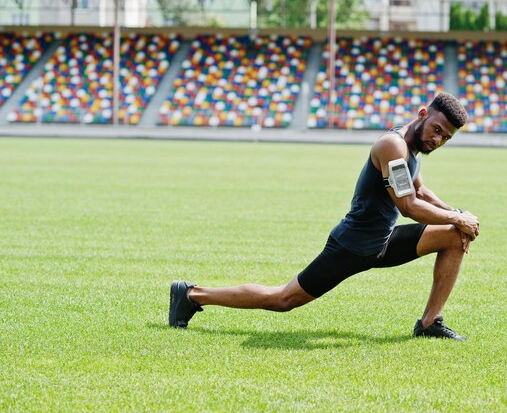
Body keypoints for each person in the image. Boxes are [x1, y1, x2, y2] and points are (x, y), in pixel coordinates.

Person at [169, 92, 480, 341]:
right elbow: (409, 206)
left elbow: (420, 189)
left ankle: (429, 323)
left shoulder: (413, 148)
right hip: (352, 247)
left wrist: (456, 215)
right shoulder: (393, 146)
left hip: (382, 242)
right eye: (437, 130)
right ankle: (193, 294)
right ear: (422, 115)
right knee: (283, 300)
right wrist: (457, 218)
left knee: (455, 237)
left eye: (446, 138)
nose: (438, 140)